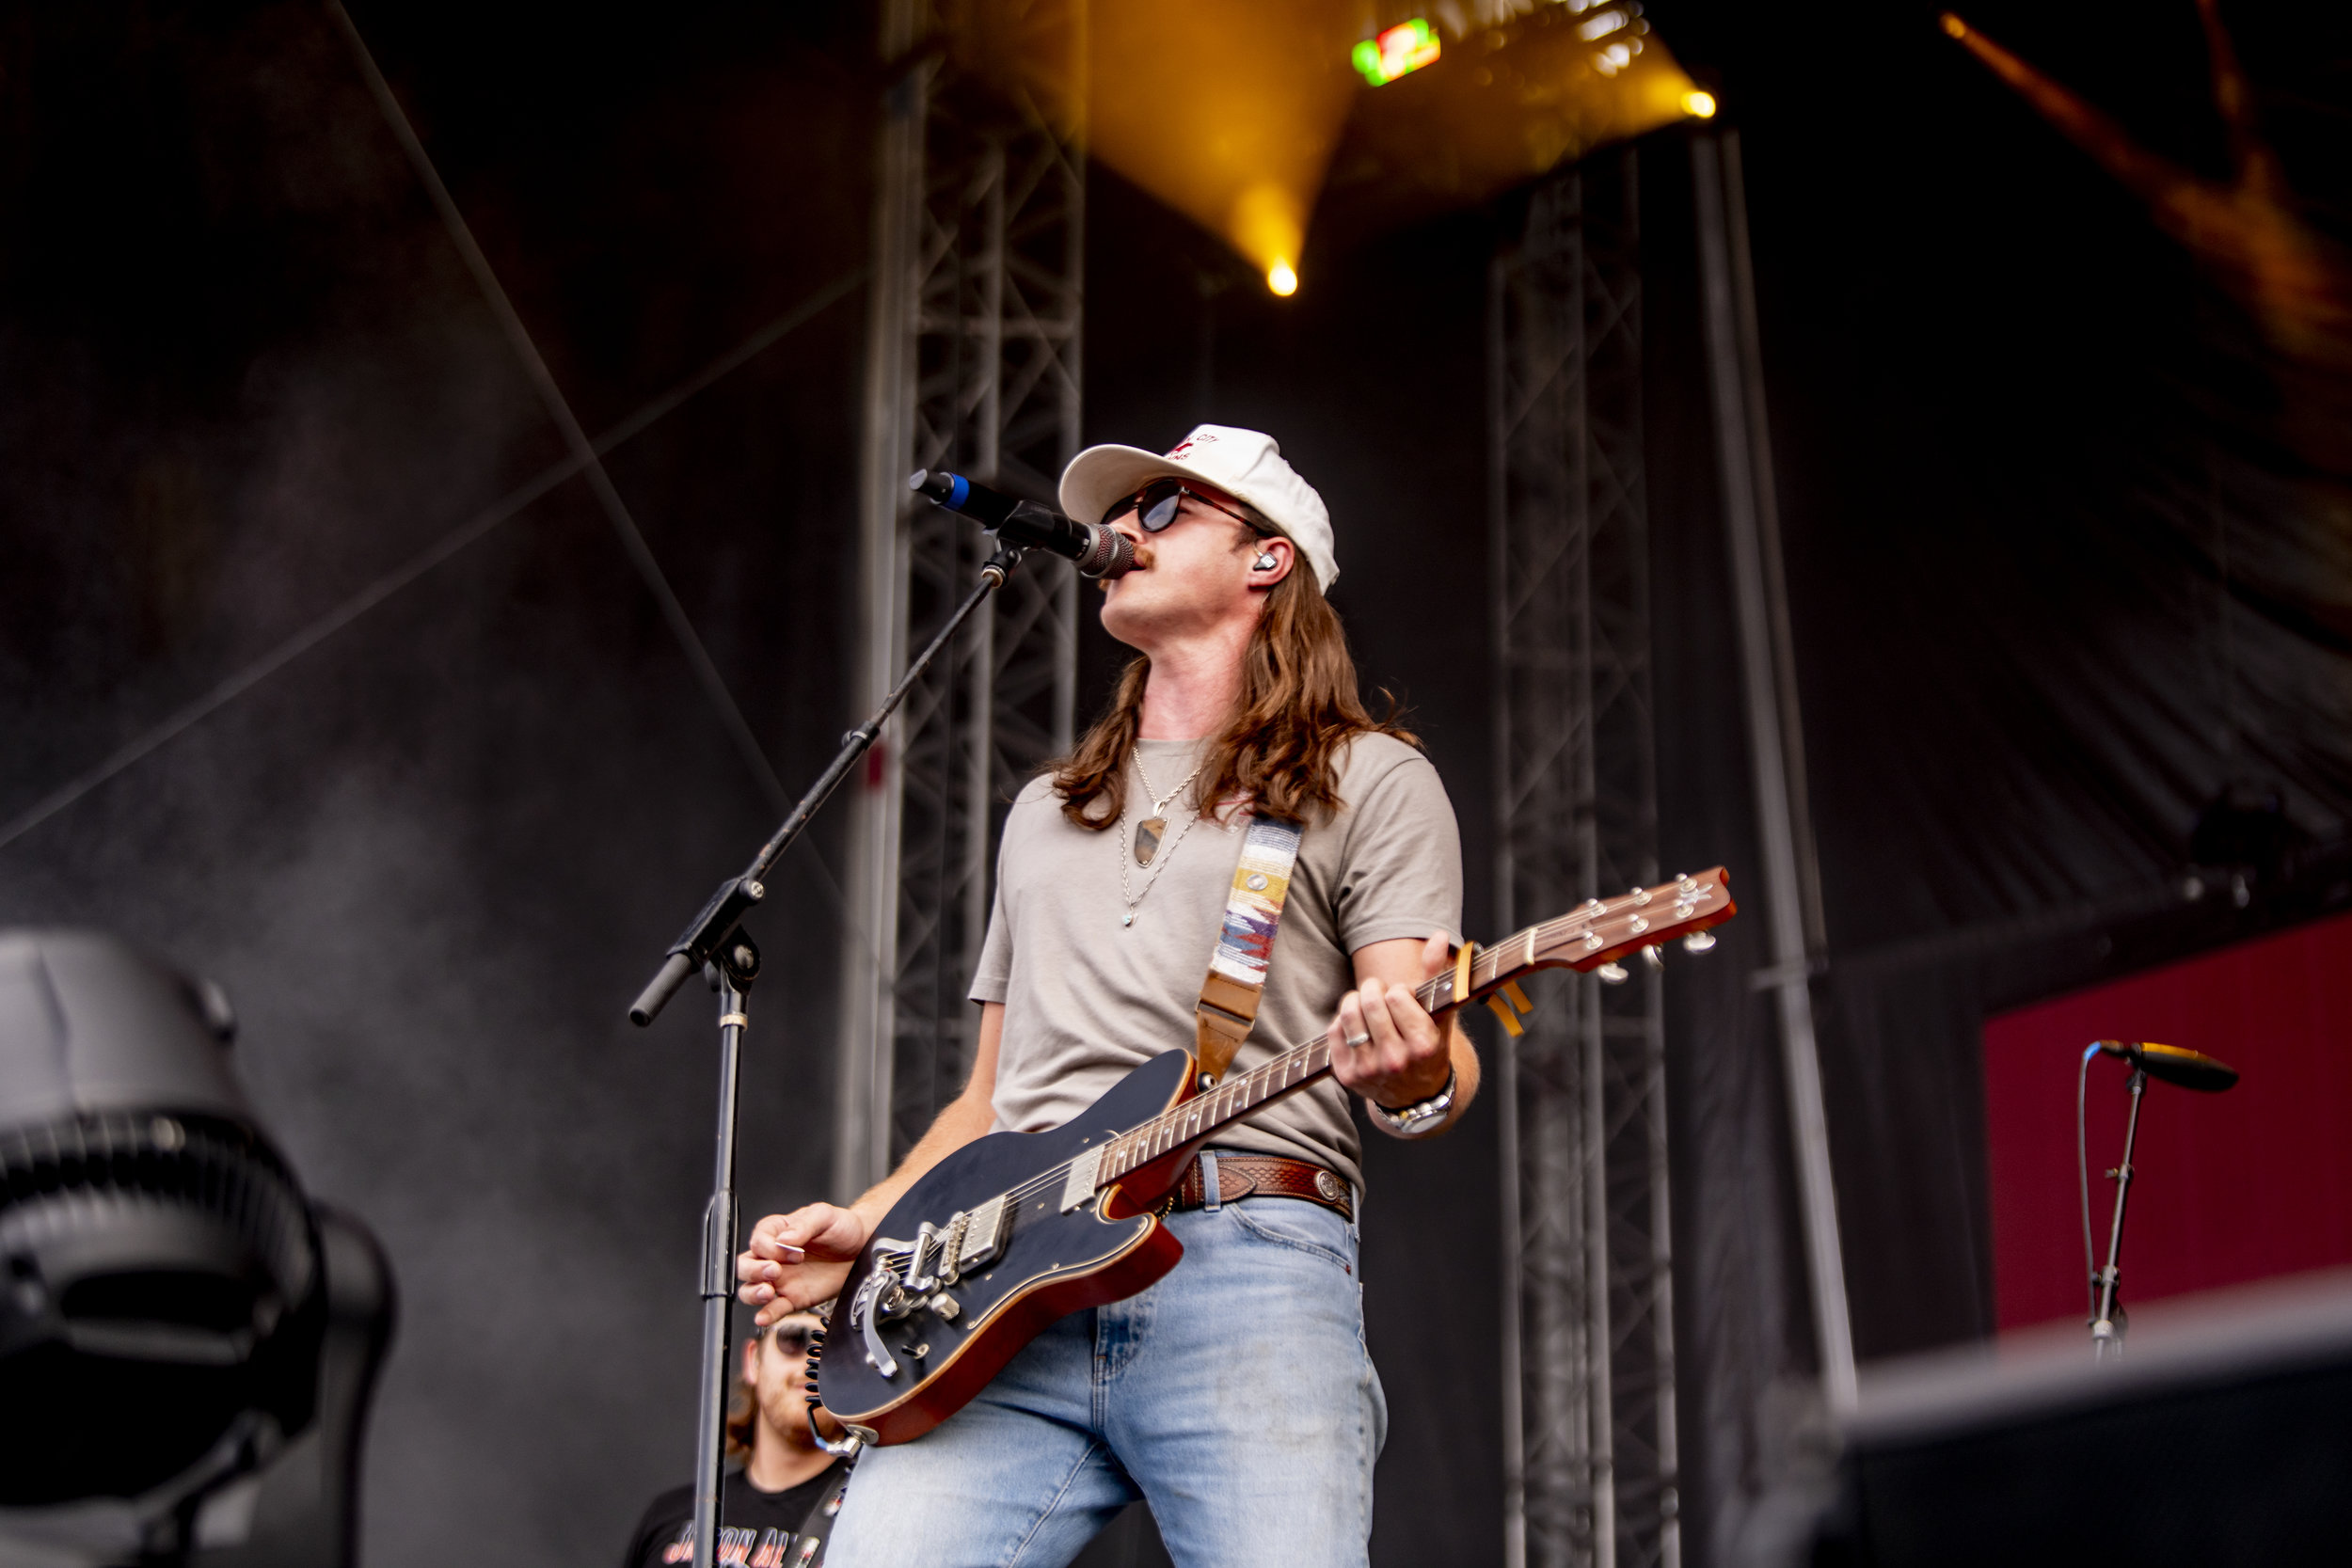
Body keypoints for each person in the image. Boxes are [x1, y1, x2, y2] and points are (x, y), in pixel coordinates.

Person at [737, 424, 1478, 1567]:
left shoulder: (1369, 777)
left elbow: (1426, 1048)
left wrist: (1415, 1069)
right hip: (1005, 1292)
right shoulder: (1044, 810)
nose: (1121, 528)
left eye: (1162, 508)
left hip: (1247, 1266)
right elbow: (990, 1101)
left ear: (1266, 558)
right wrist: (875, 1226)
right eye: (1120, 510)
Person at [622, 1313, 848, 1568]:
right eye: (794, 1339)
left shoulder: (869, 1517)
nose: (811, 1362)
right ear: (754, 1360)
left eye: (834, 1346)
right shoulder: (669, 1514)